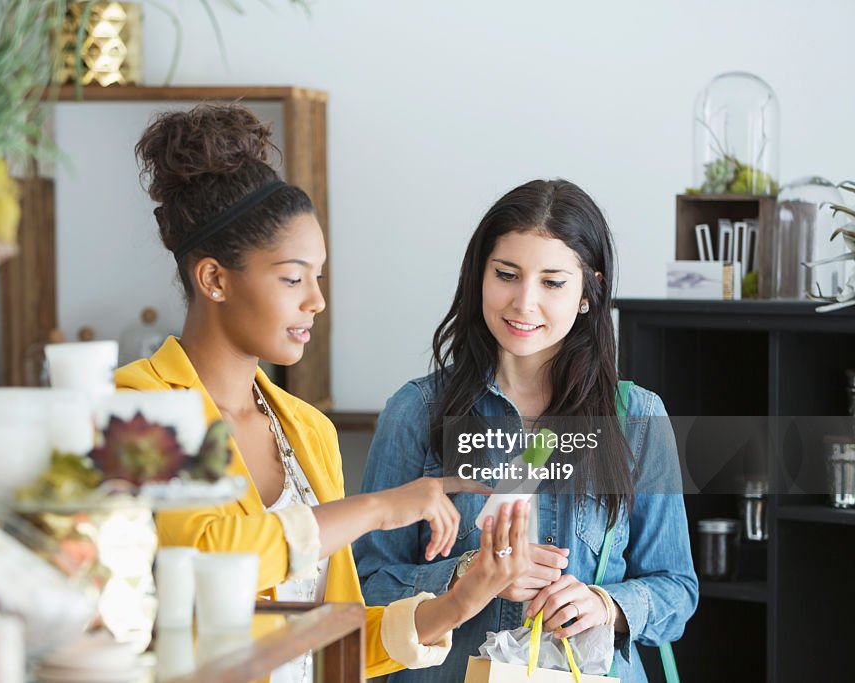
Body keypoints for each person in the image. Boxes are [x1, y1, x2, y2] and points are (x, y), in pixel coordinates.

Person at [115, 104, 539, 681]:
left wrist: (462, 601)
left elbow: (332, 643)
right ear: (214, 279)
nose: (315, 300)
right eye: (293, 278)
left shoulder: (307, 430)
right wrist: (377, 508)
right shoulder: (139, 403)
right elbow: (206, 555)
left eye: (318, 276)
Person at [353, 179, 698, 682]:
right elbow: (367, 584)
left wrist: (605, 603)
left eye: (552, 282)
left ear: (588, 291)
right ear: (480, 277)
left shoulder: (638, 419)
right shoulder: (418, 410)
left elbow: (677, 591)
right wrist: (465, 575)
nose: (524, 302)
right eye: (507, 275)